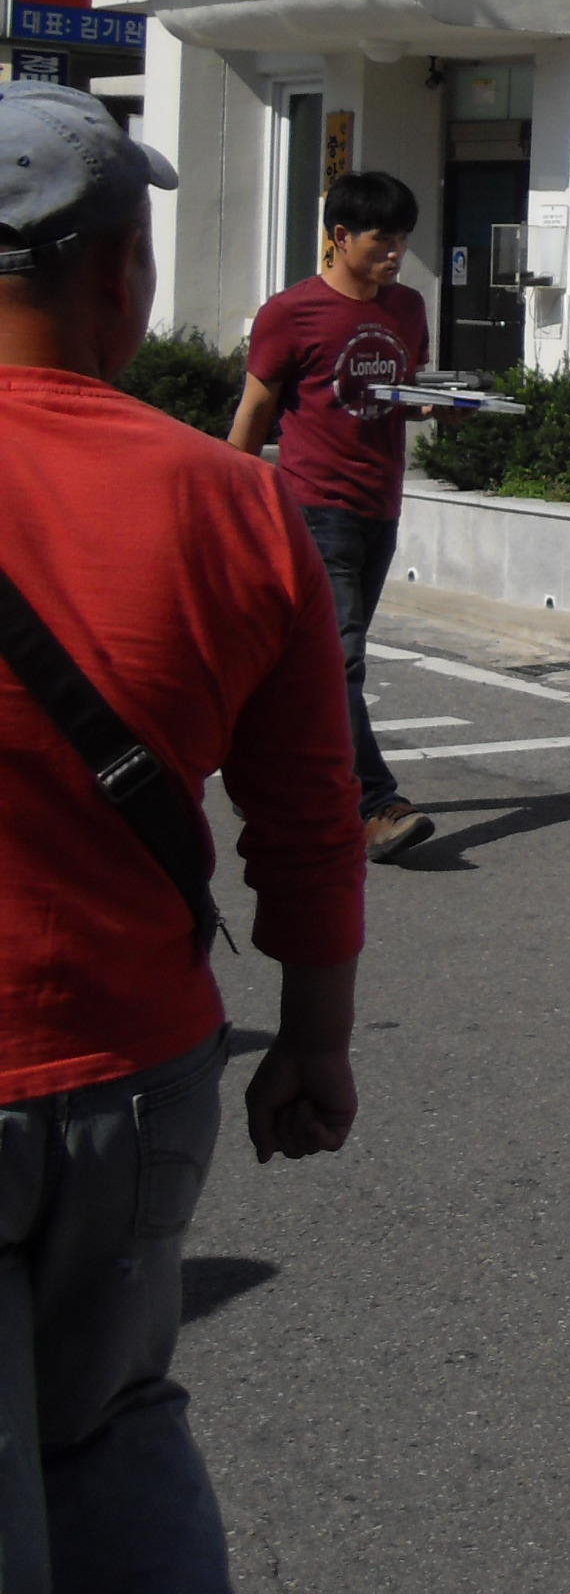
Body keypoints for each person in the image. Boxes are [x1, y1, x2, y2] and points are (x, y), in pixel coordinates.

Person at [0, 86, 368, 1588]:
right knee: (109, 1427)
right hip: (138, 1076)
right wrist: (314, 1041)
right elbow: (311, 819)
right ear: (120, 272)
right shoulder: (235, 504)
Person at [228, 169, 438, 862]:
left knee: (316, 664)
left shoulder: (407, 308)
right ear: (340, 236)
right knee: (341, 661)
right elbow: (255, 413)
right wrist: (227, 502)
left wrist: (436, 405)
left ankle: (265, 764)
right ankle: (376, 806)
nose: (396, 252)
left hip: (381, 506)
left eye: (404, 238)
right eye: (382, 239)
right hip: (315, 508)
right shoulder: (291, 313)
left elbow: (399, 394)